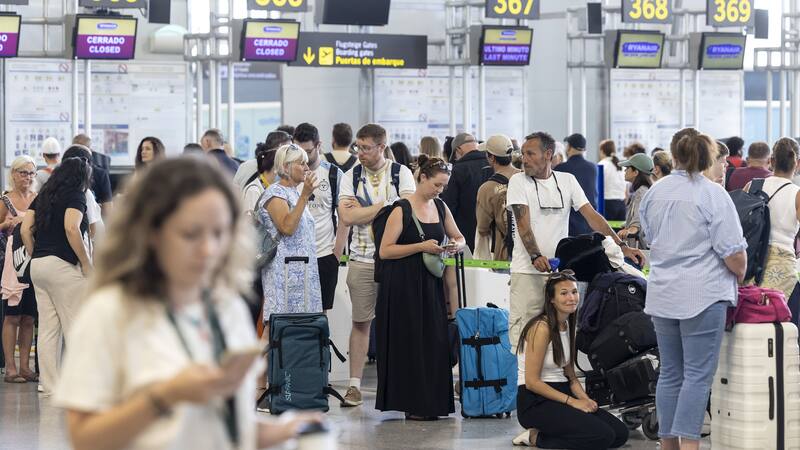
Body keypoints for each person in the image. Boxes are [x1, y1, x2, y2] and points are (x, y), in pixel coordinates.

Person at [53, 157, 321, 450]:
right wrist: (165, 396)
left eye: (219, 233)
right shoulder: (110, 312)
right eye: (190, 234)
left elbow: (219, 422)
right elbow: (84, 437)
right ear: (151, 233)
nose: (208, 249)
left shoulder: (226, 306)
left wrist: (282, 432)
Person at [640, 131, 747, 450]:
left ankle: (668, 445)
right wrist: (740, 273)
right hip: (703, 295)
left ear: (674, 155)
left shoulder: (655, 193)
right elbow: (733, 252)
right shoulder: (713, 194)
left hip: (662, 294)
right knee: (698, 376)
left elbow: (648, 238)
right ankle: (690, 447)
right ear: (706, 156)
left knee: (670, 373)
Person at [506, 132, 644, 349]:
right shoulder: (517, 181)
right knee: (523, 337)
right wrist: (535, 255)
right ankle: (524, 382)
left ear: (548, 154)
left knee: (561, 337)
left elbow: (592, 216)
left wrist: (622, 247)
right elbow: (523, 225)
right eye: (523, 153)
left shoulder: (567, 180)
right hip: (527, 272)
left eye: (530, 153)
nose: (524, 159)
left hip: (561, 274)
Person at [375, 154, 464, 420]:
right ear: (421, 177)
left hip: (430, 285)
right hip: (401, 287)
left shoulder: (441, 207)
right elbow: (386, 251)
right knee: (409, 342)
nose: (440, 190)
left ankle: (432, 401)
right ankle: (411, 403)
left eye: (444, 186)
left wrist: (454, 246)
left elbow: (459, 237)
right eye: (437, 184)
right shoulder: (401, 209)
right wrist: (421, 246)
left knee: (434, 342)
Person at [337, 123, 415, 407]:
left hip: (395, 259)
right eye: (358, 147)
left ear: (382, 147)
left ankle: (399, 384)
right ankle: (354, 385)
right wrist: (385, 206)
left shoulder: (401, 173)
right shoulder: (350, 176)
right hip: (361, 259)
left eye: (367, 148)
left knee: (398, 323)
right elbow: (346, 218)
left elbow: (406, 213)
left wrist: (363, 210)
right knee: (361, 323)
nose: (360, 153)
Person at [513, 270, 629, 449]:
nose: (571, 298)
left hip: (562, 392)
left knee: (620, 434)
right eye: (564, 293)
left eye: (574, 292)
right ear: (551, 299)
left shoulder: (567, 325)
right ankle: (535, 437)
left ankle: (557, 429)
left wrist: (586, 400)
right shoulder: (540, 328)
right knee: (602, 436)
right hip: (536, 401)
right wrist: (573, 402)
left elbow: (571, 377)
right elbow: (532, 382)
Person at [20, 156, 93, 396]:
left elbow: (24, 229)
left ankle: (49, 384)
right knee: (76, 325)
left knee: (49, 329)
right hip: (63, 266)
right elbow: (72, 228)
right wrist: (86, 263)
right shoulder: (76, 195)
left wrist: (37, 254)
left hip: (39, 265)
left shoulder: (43, 196)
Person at [258, 144, 322, 329]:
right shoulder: (275, 193)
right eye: (301, 163)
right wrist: (304, 196)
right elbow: (287, 227)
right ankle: (259, 360)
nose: (307, 168)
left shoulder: (293, 193)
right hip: (282, 274)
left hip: (303, 272)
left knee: (297, 331)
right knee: (275, 329)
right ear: (285, 167)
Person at [293, 123, 349, 312]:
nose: (303, 158)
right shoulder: (289, 175)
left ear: (319, 146)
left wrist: (337, 253)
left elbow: (344, 217)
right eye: (298, 151)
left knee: (320, 313)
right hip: (294, 255)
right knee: (293, 311)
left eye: (308, 152)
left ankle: (320, 343)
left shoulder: (334, 174)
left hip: (325, 253)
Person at [744, 138, 800, 300]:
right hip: (781, 265)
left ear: (771, 161)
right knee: (778, 316)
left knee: (751, 313)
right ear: (797, 163)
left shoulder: (752, 186)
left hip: (751, 260)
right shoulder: (797, 194)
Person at [1, 156, 38, 384]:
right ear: (13, 174)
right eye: (23, 172)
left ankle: (25, 366)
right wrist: (7, 224)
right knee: (12, 316)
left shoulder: (37, 199)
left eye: (31, 173)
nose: (28, 177)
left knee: (29, 317)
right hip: (11, 265)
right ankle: (11, 368)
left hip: (34, 261)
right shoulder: (5, 200)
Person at [440, 132, 486, 252]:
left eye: (454, 155)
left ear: (458, 150)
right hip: (492, 233)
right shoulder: (492, 163)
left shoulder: (459, 169)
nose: (455, 159)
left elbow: (450, 205)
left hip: (465, 233)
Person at [476, 134, 519, 261]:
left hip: (504, 253)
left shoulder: (487, 188)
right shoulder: (526, 178)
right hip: (531, 252)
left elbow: (483, 228)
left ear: (492, 158)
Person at [554, 134, 598, 237]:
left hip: (569, 226)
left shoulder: (561, 168)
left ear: (569, 147)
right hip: (589, 223)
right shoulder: (593, 168)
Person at [617, 154, 654, 251]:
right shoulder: (643, 190)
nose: (625, 171)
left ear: (636, 172)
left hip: (641, 247)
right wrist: (627, 224)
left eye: (627, 168)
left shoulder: (641, 192)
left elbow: (638, 216)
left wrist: (632, 228)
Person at [71, 136, 113, 219]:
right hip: (93, 220)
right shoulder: (100, 173)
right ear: (90, 150)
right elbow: (108, 209)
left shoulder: (62, 172)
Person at [597, 139, 626, 221]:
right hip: (621, 204)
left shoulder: (602, 165)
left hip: (607, 204)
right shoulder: (621, 166)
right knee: (619, 232)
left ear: (602, 151)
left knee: (606, 232)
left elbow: (597, 187)